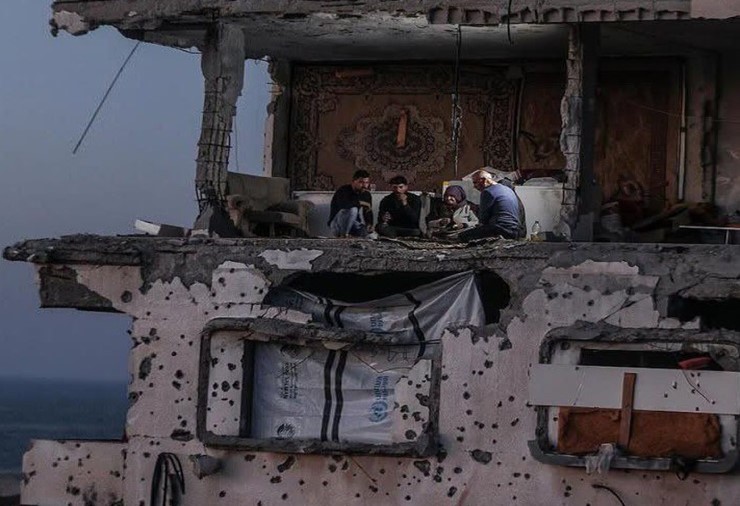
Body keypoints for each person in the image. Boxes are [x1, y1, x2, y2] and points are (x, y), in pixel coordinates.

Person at [458, 168, 524, 241]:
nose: (474, 186)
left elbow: (483, 219)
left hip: (501, 229)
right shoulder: (508, 189)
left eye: (475, 182)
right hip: (516, 230)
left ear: (483, 180)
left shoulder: (487, 192)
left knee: (462, 236)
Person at [328, 170, 373, 237]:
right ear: (353, 181)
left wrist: (369, 224)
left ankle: (350, 236)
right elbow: (345, 207)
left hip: (354, 223)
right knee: (353, 210)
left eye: (367, 183)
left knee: (369, 235)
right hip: (337, 225)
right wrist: (360, 202)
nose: (364, 185)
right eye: (361, 182)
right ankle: (344, 236)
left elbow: (368, 211)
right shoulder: (343, 190)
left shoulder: (366, 194)